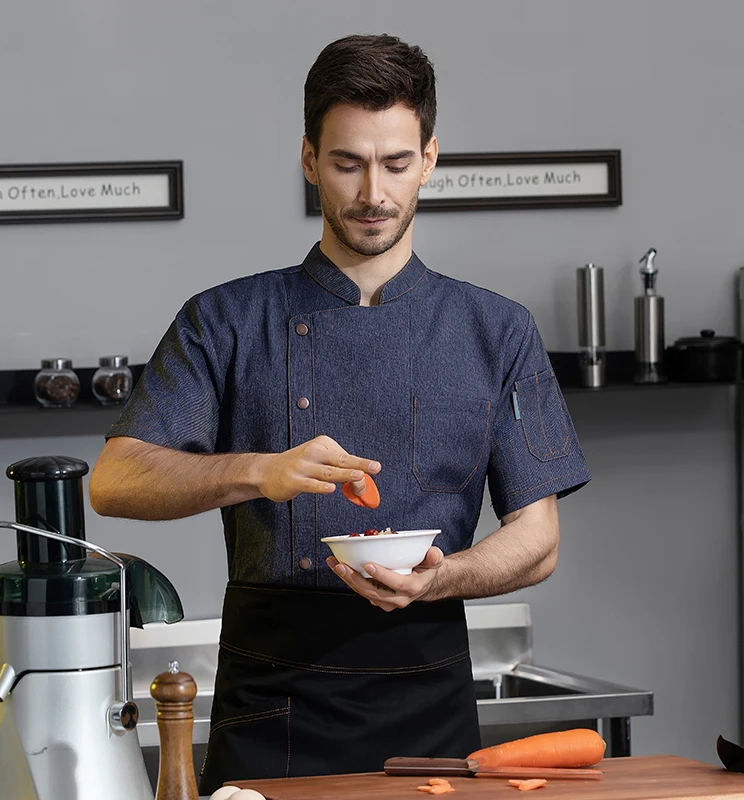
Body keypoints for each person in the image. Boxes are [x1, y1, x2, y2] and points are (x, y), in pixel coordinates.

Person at [89, 33, 591, 793]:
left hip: (432, 700)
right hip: (273, 704)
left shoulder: (497, 330)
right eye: (348, 163)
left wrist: (442, 577)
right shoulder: (227, 319)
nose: (373, 194)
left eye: (395, 164)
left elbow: (539, 541)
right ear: (308, 160)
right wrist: (262, 469)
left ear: (429, 158)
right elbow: (114, 481)